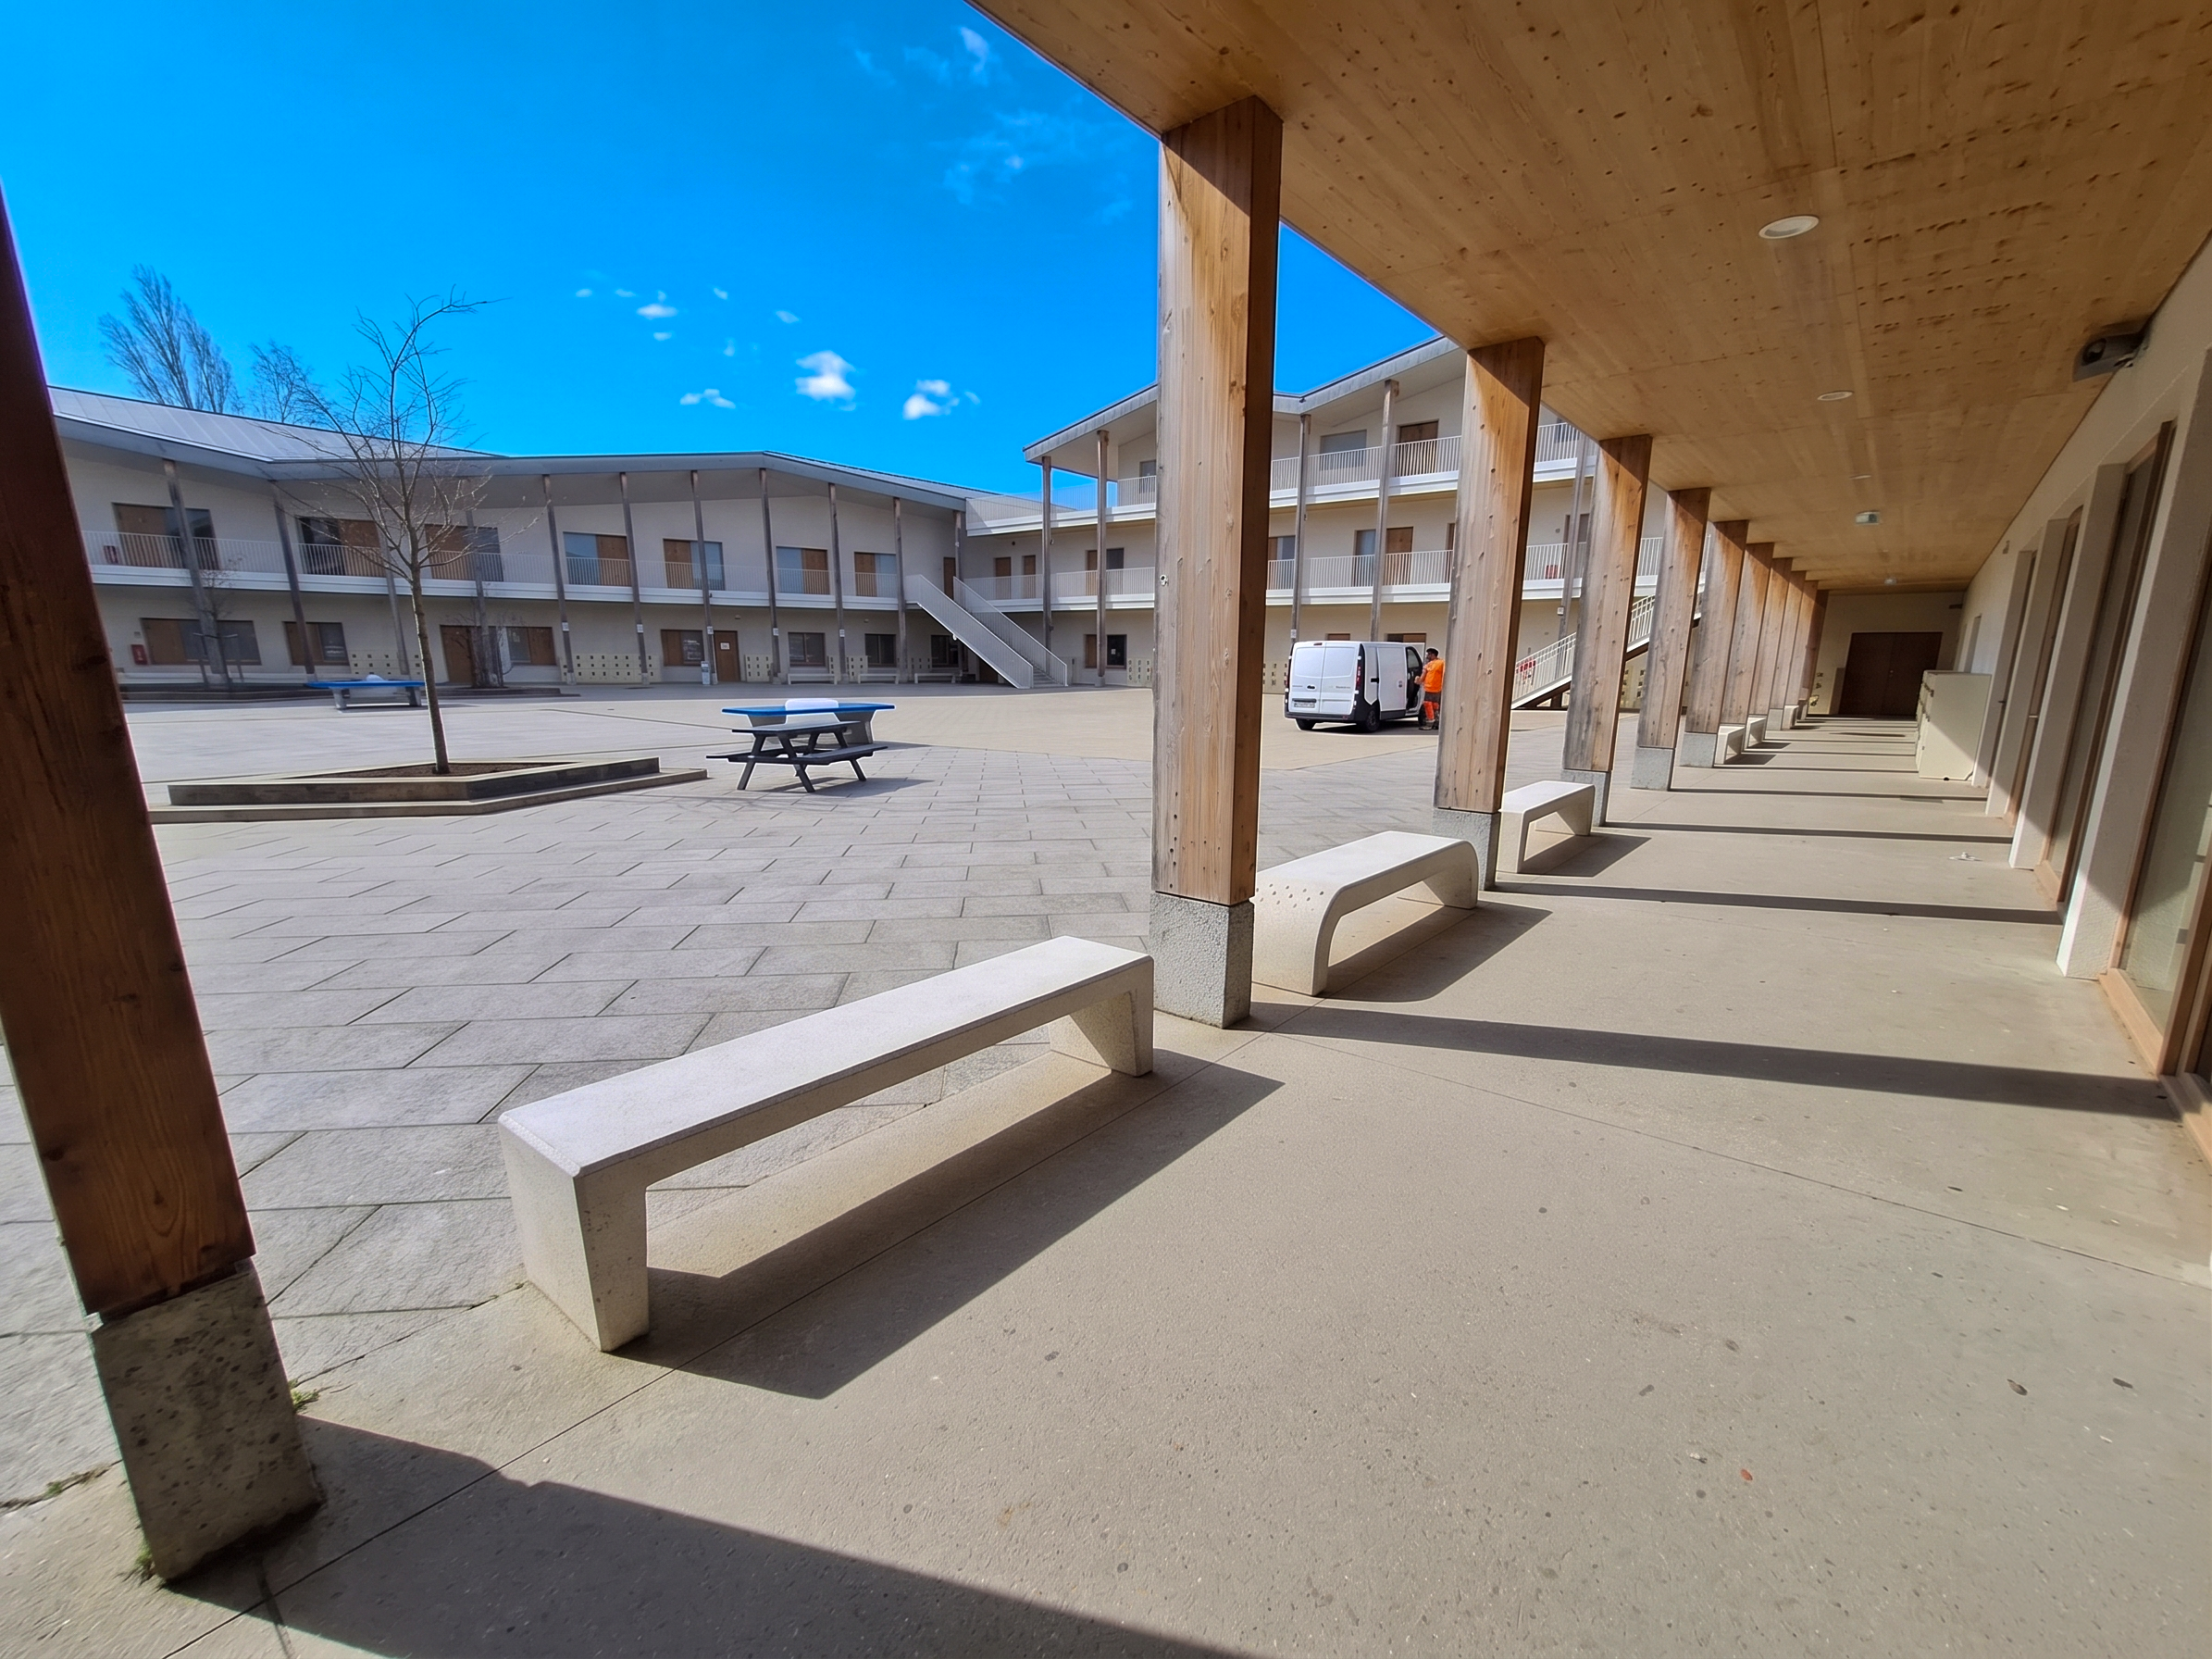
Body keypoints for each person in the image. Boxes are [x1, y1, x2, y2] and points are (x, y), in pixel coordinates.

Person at [1419, 648, 1444, 729]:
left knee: (1428, 704)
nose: (1427, 656)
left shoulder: (1441, 663)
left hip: (1436, 688)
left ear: (1433, 655)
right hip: (1430, 688)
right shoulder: (1428, 665)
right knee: (1434, 705)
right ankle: (1436, 722)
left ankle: (1430, 723)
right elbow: (1423, 676)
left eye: (1428, 654)